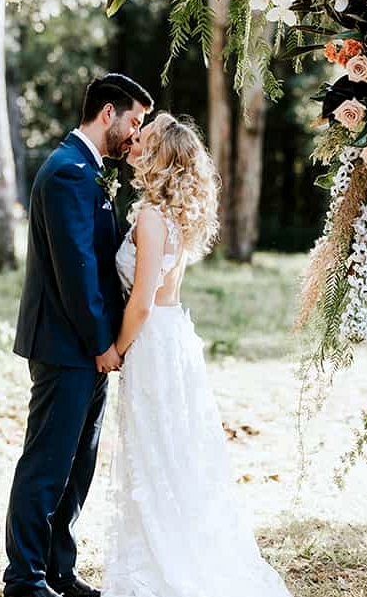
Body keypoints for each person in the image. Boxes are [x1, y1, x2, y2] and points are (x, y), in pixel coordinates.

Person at [102, 112, 292, 597]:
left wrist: (114, 351)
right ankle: (175, 542)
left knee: (154, 450)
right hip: (174, 337)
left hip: (151, 341)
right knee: (173, 450)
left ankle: (160, 561)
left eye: (145, 139)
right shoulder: (173, 215)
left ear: (159, 158)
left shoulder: (149, 217)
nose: (135, 141)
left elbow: (141, 303)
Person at [3, 74, 154, 597]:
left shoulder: (89, 169)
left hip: (88, 348)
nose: (137, 134)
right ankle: (25, 576)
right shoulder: (68, 171)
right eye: (135, 121)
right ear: (108, 113)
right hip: (67, 345)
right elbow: (77, 270)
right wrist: (101, 345)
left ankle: (60, 569)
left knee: (77, 463)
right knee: (47, 463)